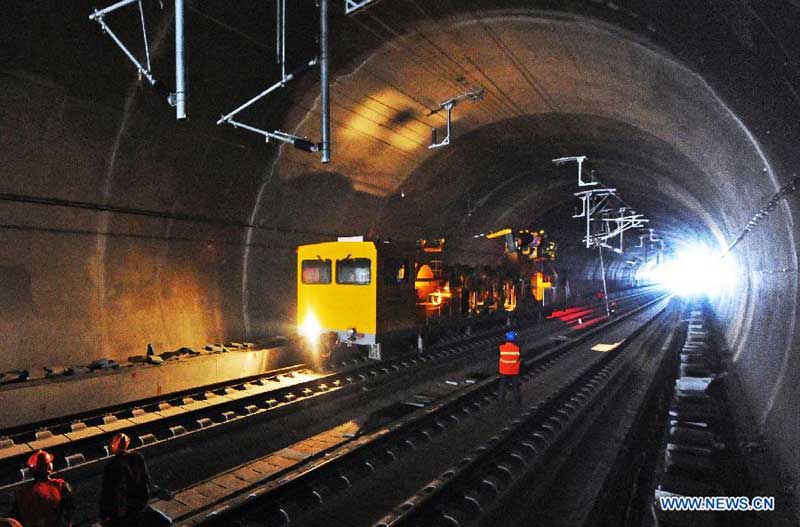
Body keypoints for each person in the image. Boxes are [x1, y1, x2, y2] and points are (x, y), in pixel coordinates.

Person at [11, 449, 74, 527]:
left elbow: (15, 519)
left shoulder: (22, 493)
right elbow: (69, 511)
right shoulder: (60, 485)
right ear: (49, 467)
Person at [99, 433, 150, 527]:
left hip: (121, 511)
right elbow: (145, 479)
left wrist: (104, 514)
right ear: (128, 443)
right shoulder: (138, 457)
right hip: (138, 505)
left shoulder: (111, 465)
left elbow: (107, 492)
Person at [498, 331, 522, 406]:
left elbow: (500, 356)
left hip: (504, 370)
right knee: (515, 386)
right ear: (514, 339)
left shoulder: (501, 347)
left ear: (506, 339)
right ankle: (517, 402)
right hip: (514, 371)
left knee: (502, 386)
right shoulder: (517, 348)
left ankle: (500, 401)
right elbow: (519, 358)